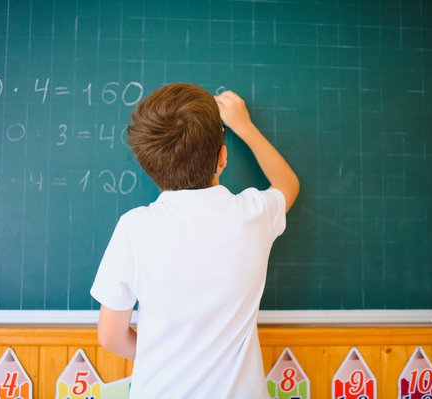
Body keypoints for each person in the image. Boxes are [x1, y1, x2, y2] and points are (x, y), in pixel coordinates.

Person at [90, 83, 299, 398]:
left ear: (149, 166)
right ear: (223, 157)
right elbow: (287, 183)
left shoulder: (135, 229)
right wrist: (244, 126)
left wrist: (161, 358)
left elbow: (110, 337)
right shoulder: (252, 216)